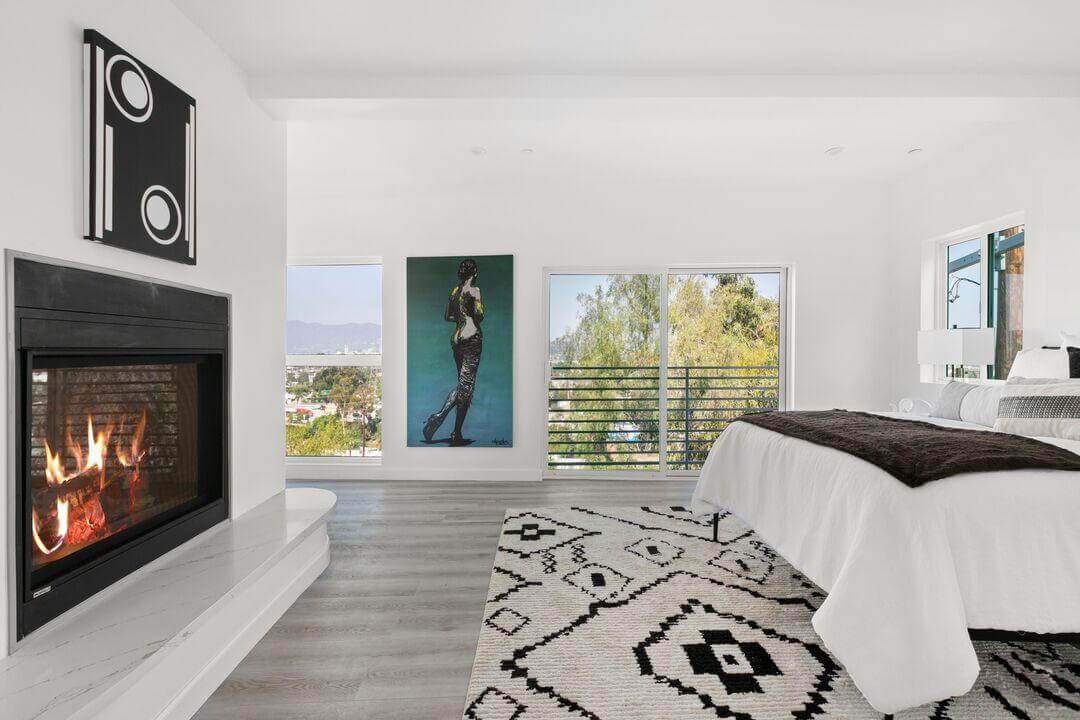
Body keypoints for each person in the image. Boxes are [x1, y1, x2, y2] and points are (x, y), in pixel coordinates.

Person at [422, 258, 484, 445]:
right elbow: (480, 315)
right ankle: (439, 416)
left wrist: (460, 317)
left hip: (456, 339)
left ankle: (456, 433)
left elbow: (447, 316)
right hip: (472, 338)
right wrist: (472, 311)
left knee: (464, 387)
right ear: (474, 273)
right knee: (466, 387)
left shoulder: (454, 292)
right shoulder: (474, 291)